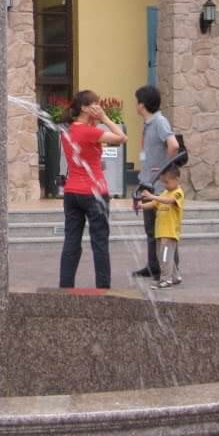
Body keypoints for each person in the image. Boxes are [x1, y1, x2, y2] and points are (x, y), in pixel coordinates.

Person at [58, 90, 126, 291]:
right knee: (99, 241)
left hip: (71, 192)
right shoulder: (91, 132)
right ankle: (103, 288)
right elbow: (121, 138)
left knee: (71, 240)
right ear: (85, 108)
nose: (99, 108)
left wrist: (95, 120)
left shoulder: (68, 131)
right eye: (95, 105)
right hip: (94, 193)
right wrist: (105, 118)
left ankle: (65, 286)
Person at [132, 85, 180, 281]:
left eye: (136, 101)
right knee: (151, 231)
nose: (135, 105)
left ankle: (170, 271)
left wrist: (163, 171)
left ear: (142, 104)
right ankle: (154, 266)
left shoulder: (160, 122)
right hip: (148, 184)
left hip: (158, 187)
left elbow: (174, 145)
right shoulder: (149, 123)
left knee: (165, 233)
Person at [140, 174, 185, 288]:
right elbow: (153, 204)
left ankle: (165, 280)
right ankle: (175, 277)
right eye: (163, 183)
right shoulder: (164, 193)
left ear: (176, 179)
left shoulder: (178, 193)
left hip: (170, 232)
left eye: (167, 182)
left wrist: (153, 196)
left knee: (164, 257)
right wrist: (141, 205)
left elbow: (169, 200)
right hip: (160, 231)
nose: (165, 185)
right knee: (163, 256)